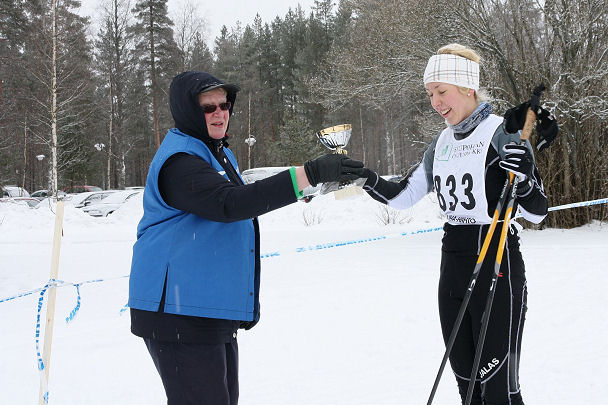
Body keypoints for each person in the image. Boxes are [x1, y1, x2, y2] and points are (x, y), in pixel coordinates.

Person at [127, 71, 363, 405]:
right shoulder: (180, 161)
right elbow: (229, 204)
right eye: (208, 108)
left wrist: (312, 185)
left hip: (206, 308)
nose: (220, 113)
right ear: (188, 111)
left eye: (224, 105)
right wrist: (309, 172)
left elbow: (242, 200)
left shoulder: (216, 152)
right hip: (178, 312)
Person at [351, 44, 557, 404]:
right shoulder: (441, 143)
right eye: (430, 93)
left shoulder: (502, 133)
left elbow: (538, 212)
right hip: (454, 263)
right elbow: (402, 196)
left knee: (498, 390)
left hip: (497, 262)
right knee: (467, 385)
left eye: (441, 91)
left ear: (467, 88)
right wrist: (362, 176)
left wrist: (524, 178)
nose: (435, 101)